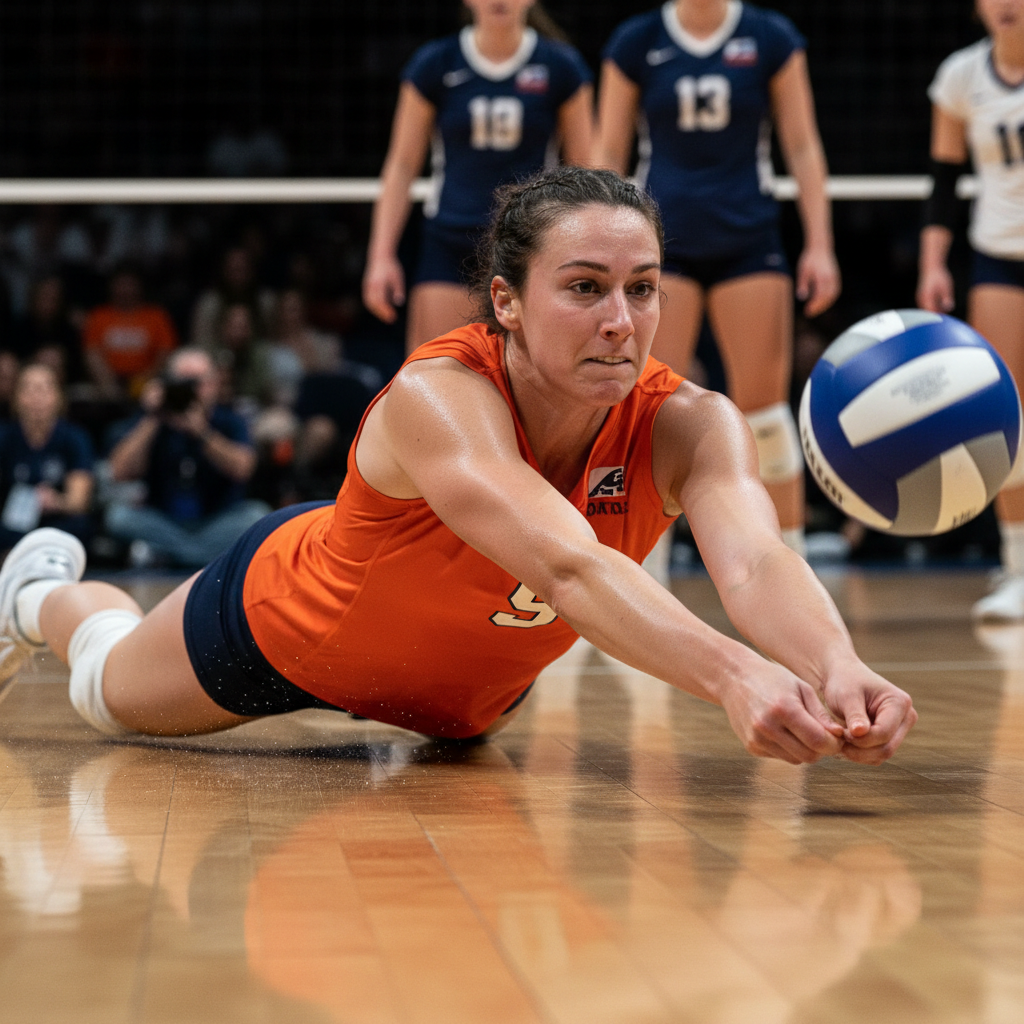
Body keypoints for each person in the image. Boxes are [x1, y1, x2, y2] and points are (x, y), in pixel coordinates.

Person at [0, 167, 915, 766]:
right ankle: (34, 594)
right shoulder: (439, 394)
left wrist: (836, 664)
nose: (621, 321)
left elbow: (755, 562)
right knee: (102, 687)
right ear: (508, 302)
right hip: (292, 634)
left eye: (642, 289)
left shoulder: (692, 422)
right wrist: (733, 674)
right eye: (586, 286)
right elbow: (568, 565)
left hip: (464, 708)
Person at [593, 0, 841, 557]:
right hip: (659, 247)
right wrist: (605, 245)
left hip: (747, 241)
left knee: (765, 416)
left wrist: (820, 246)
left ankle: (789, 559)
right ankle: (641, 570)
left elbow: (801, 146)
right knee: (649, 408)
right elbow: (607, 152)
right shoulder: (637, 40)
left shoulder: (769, 35)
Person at [362, 0, 594, 354]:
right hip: (452, 239)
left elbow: (584, 169)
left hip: (529, 243)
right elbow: (402, 165)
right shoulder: (435, 64)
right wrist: (381, 257)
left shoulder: (561, 66)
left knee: (532, 376)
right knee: (432, 373)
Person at [917, 0, 1024, 619]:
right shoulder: (962, 75)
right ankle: (1016, 565)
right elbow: (943, 181)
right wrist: (934, 264)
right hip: (998, 256)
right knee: (1002, 416)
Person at [102, 347, 269, 568]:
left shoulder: (230, 420)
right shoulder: (151, 420)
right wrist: (153, 417)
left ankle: (167, 554)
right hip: (165, 520)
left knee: (257, 515)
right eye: (182, 382)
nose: (190, 390)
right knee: (118, 517)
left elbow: (243, 469)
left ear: (214, 384)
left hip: (217, 518)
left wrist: (202, 433)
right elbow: (118, 471)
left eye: (197, 383)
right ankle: (211, 557)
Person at [0, 363, 95, 554]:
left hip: (57, 522)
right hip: (11, 523)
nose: (37, 397)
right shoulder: (5, 437)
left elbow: (79, 501)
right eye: (29, 389)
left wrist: (56, 501)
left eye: (45, 388)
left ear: (59, 397)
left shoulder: (74, 438)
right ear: (16, 398)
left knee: (81, 525)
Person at [81, 265, 178, 400]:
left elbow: (165, 352)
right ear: (112, 287)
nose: (125, 290)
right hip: (108, 383)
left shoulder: (156, 316)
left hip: (148, 381)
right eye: (120, 285)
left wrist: (146, 378)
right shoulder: (99, 316)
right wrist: (108, 382)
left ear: (139, 287)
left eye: (130, 284)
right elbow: (91, 352)